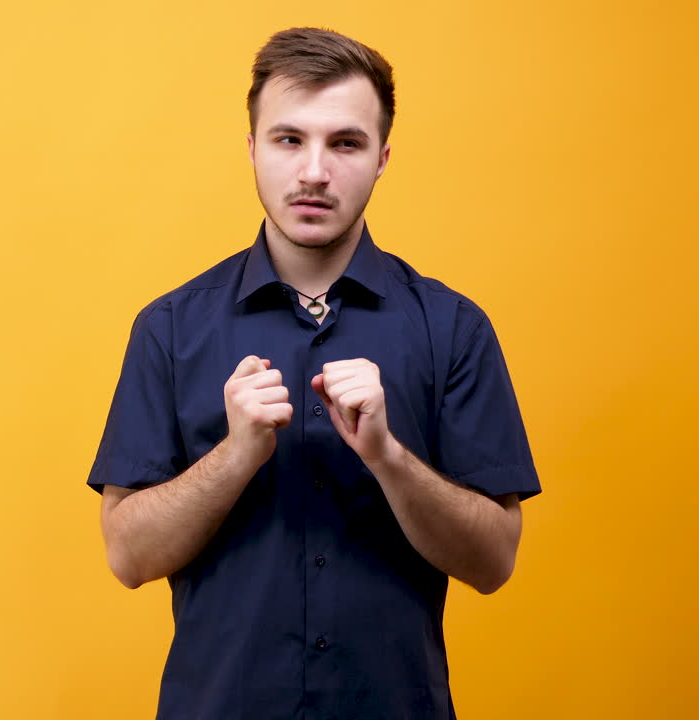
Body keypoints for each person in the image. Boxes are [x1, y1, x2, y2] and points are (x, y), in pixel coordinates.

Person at [86, 27, 541, 720]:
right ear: (251, 148)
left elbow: (493, 563)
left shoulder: (452, 328)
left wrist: (390, 458)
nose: (314, 173)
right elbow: (128, 556)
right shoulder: (170, 328)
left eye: (346, 143)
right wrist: (235, 456)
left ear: (383, 157)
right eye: (289, 139)